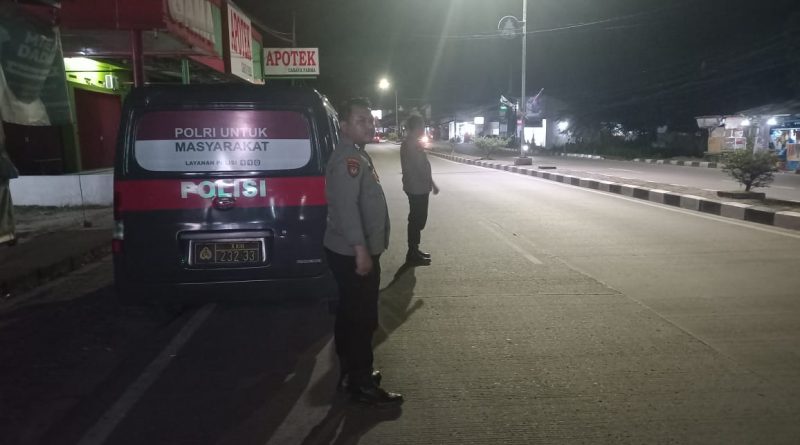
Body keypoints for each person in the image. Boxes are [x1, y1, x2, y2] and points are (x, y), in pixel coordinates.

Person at [324, 97, 403, 406]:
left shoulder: (356, 154)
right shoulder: (349, 161)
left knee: (349, 312)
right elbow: (347, 209)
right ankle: (361, 383)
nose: (369, 125)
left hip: (347, 250)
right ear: (344, 126)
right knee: (363, 317)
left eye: (370, 120)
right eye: (361, 120)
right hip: (353, 252)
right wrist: (361, 250)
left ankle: (351, 373)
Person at [400, 114, 438, 265]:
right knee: (417, 220)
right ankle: (412, 252)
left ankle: (414, 249)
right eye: (421, 126)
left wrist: (431, 184)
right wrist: (432, 184)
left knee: (417, 220)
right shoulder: (412, 144)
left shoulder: (411, 142)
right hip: (417, 188)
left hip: (417, 186)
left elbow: (422, 165)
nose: (423, 129)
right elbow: (420, 167)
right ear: (415, 127)